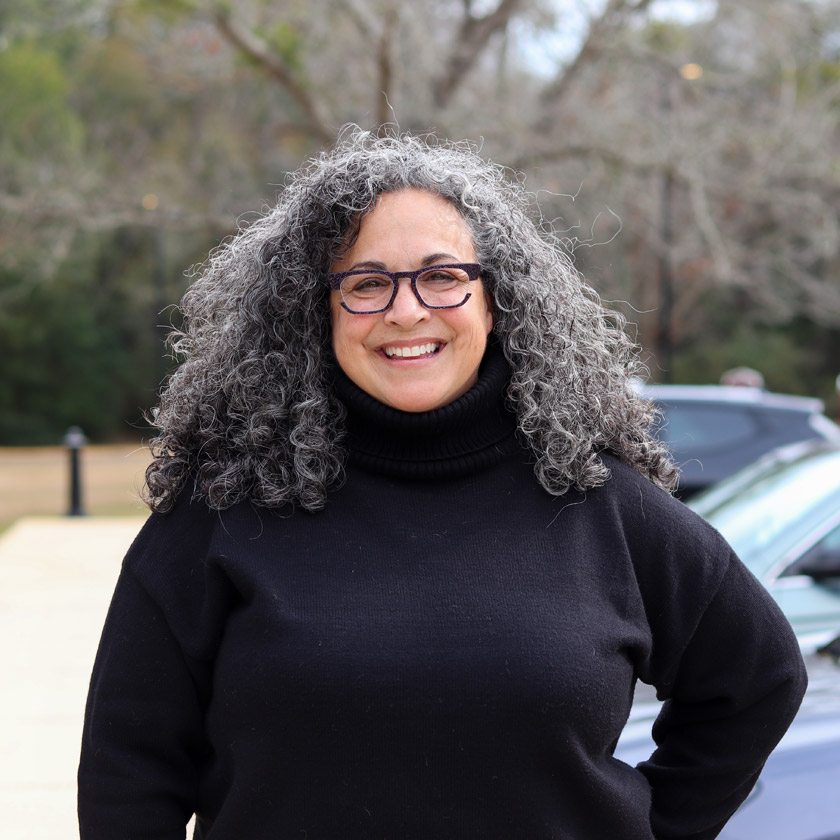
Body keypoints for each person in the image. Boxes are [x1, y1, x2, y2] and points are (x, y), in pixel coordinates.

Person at [78, 128, 806, 840]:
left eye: (441, 276)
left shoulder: (600, 503)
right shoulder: (223, 510)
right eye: (366, 283)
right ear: (316, 311)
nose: (406, 309)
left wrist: (650, 824)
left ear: (497, 301)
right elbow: (128, 771)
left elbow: (758, 677)